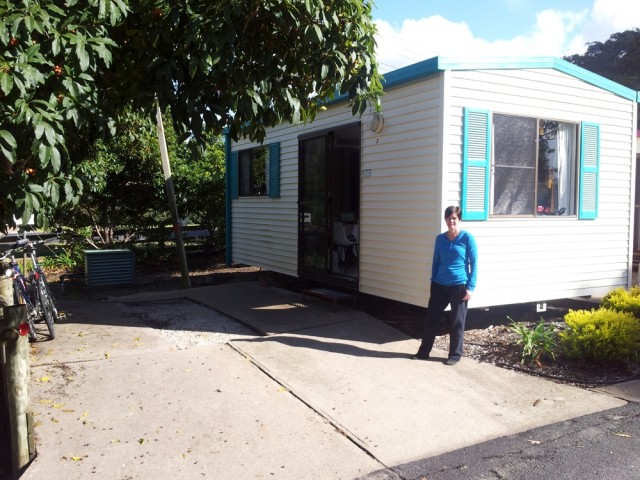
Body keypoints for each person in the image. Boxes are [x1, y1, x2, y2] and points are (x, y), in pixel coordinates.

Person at [412, 206, 478, 365]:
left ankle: (454, 355)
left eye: (454, 218)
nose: (451, 221)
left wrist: (471, 286)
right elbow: (436, 261)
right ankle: (423, 352)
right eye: (448, 218)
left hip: (459, 286)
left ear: (459, 219)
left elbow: (474, 263)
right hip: (439, 285)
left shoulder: (467, 238)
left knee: (456, 322)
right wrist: (433, 281)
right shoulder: (440, 239)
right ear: (445, 220)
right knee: (431, 319)